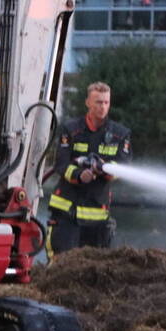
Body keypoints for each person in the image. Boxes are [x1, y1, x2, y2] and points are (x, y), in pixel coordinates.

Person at [46, 81, 132, 259]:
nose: (103, 107)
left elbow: (123, 167)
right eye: (98, 102)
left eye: (106, 102)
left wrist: (104, 170)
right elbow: (60, 164)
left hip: (97, 215)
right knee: (59, 264)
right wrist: (79, 175)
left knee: (94, 269)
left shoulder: (120, 134)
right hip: (66, 212)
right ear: (88, 103)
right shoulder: (71, 130)